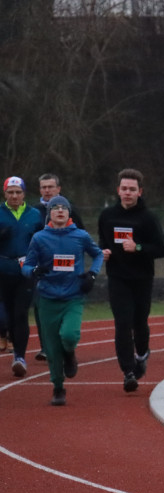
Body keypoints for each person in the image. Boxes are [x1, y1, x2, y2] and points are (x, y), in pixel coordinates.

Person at [21, 196, 103, 406]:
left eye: (64, 208)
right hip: (47, 298)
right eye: (55, 208)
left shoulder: (80, 236)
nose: (60, 211)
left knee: (69, 334)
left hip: (73, 297)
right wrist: (36, 271)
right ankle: (58, 387)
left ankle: (70, 352)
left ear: (69, 213)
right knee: (51, 349)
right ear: (49, 213)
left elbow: (98, 255)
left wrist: (92, 275)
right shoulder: (39, 238)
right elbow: (27, 267)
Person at [97, 168, 164, 392]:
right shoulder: (107, 216)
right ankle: (128, 372)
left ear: (140, 192)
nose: (127, 193)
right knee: (122, 323)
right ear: (118, 190)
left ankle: (142, 353)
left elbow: (160, 249)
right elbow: (101, 242)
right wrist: (102, 252)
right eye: (124, 189)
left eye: (132, 189)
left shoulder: (148, 218)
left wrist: (137, 247)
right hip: (117, 277)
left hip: (142, 277)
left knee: (139, 322)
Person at [35, 173, 85, 362]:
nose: (47, 191)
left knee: (65, 306)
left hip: (67, 269)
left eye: (50, 187)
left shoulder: (70, 210)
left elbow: (82, 238)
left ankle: (66, 343)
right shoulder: (34, 212)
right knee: (42, 306)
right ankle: (46, 347)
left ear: (58, 189)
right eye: (43, 187)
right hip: (43, 269)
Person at [0, 176, 44, 377]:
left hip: (26, 270)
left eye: (18, 192)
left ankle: (19, 356)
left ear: (24, 194)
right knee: (6, 316)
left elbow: (43, 240)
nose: (15, 196)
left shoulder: (34, 214)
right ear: (5, 194)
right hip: (3, 269)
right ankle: (10, 339)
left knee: (20, 314)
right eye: (11, 192)